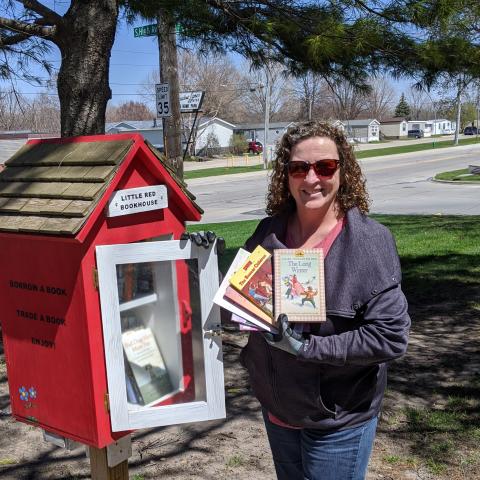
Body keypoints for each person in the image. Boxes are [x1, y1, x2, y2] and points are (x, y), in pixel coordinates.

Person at [239, 121, 410, 480]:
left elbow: (390, 337)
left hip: (337, 418)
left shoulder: (369, 242)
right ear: (286, 176)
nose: (312, 178)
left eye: (325, 167)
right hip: (278, 409)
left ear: (343, 171)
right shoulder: (269, 234)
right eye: (299, 168)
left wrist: (306, 348)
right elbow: (240, 305)